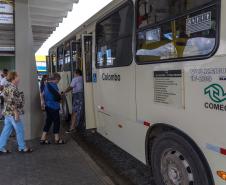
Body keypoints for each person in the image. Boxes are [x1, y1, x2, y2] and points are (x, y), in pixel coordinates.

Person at [0, 72, 32, 154]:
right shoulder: (12, 88)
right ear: (14, 78)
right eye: (17, 76)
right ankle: (22, 147)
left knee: (6, 130)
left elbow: (6, 99)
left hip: (8, 113)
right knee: (20, 130)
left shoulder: (8, 86)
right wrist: (16, 113)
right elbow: (11, 101)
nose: (19, 78)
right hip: (12, 113)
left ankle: (0, 147)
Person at [40, 73, 65, 144]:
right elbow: (57, 97)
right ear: (56, 79)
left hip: (47, 106)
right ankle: (57, 139)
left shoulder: (46, 84)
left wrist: (43, 102)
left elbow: (42, 95)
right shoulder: (54, 85)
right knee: (56, 122)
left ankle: (43, 138)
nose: (58, 82)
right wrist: (61, 95)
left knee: (48, 121)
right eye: (58, 80)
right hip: (54, 106)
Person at [64, 69, 84, 133]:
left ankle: (72, 127)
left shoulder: (75, 79)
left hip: (77, 95)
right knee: (79, 110)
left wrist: (64, 92)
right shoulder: (82, 78)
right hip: (82, 95)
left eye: (74, 73)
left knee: (74, 112)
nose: (74, 74)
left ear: (76, 73)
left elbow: (71, 87)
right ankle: (76, 126)